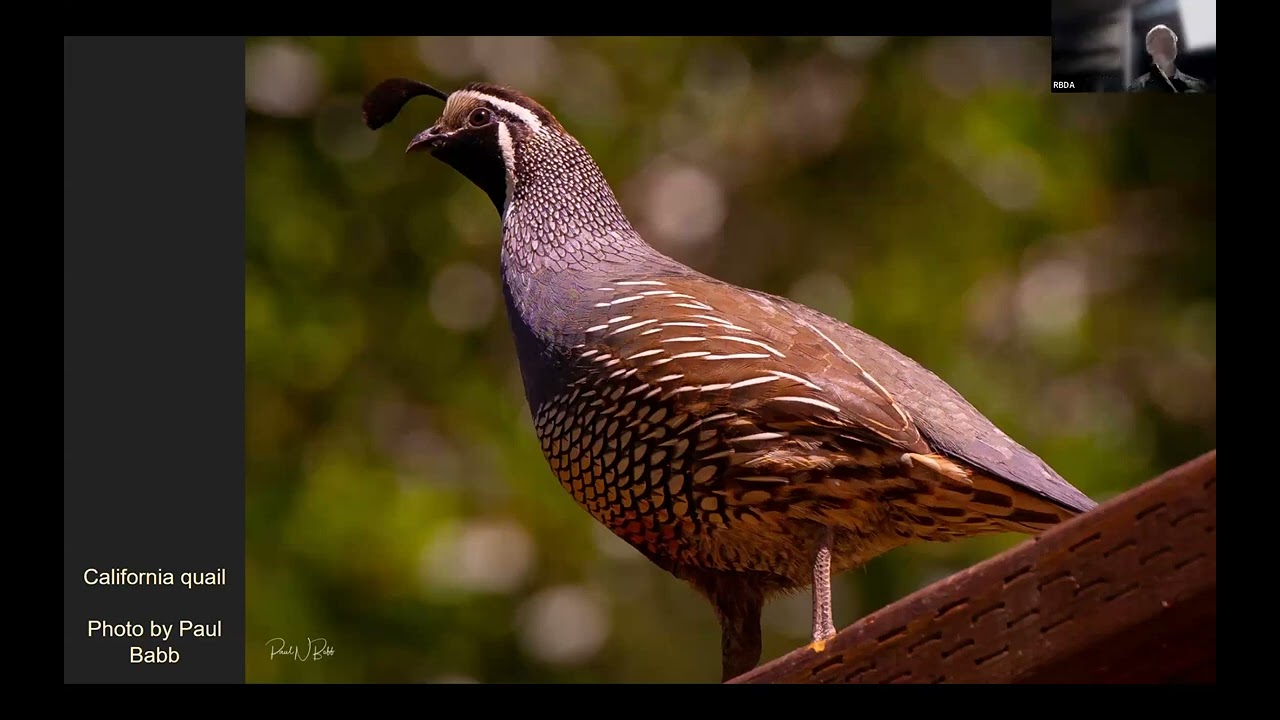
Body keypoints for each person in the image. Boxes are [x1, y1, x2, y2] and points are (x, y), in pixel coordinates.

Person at [1128, 24, 1211, 93]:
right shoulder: (1136, 89)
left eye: (1170, 40)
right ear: (1148, 48)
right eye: (1159, 40)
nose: (1166, 44)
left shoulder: (1199, 87)